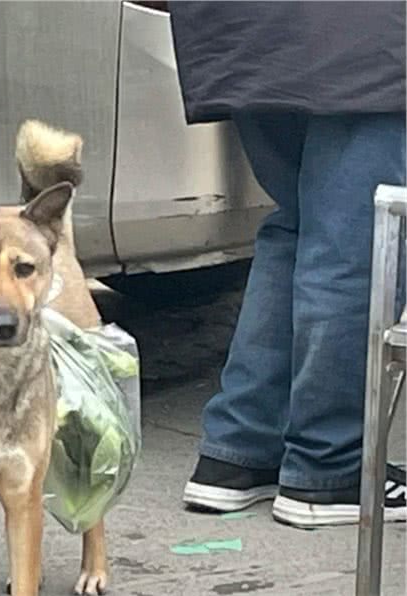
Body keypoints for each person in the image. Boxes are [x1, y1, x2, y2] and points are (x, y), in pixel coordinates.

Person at [169, 1, 406, 528]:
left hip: (248, 28)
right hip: (360, 33)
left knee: (300, 226)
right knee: (356, 240)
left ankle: (238, 452)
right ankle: (330, 468)